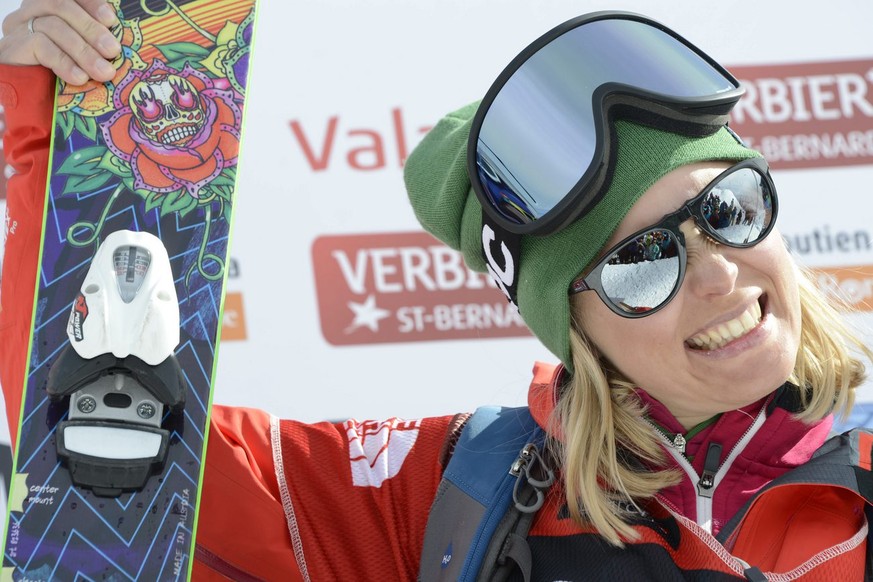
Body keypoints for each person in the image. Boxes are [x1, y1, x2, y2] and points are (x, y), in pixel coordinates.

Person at [2, 2, 873, 580]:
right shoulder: (454, 495)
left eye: (728, 208)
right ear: (568, 323)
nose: (721, 273)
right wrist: (43, 111)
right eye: (643, 261)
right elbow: (117, 452)